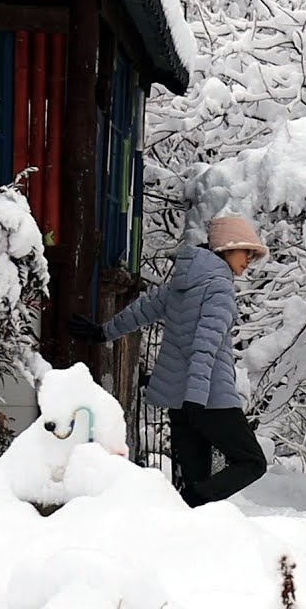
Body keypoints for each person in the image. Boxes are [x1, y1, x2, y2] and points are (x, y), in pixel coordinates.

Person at [68, 216, 269, 507]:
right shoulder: (219, 288)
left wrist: (102, 333)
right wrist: (197, 400)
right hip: (210, 398)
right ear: (226, 248)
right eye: (245, 251)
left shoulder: (185, 282)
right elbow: (205, 346)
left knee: (196, 483)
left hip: (180, 401)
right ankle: (185, 503)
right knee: (251, 462)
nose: (249, 260)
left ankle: (184, 531)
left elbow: (143, 309)